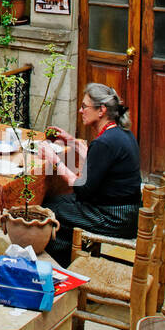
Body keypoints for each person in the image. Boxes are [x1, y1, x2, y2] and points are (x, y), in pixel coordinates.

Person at [37, 83, 142, 266]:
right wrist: (73, 142)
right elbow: (100, 170)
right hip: (127, 212)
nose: (80, 110)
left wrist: (56, 161)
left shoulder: (105, 142)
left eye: (84, 106)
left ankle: (60, 269)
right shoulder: (120, 133)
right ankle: (72, 260)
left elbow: (83, 190)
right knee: (57, 201)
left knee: (49, 212)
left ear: (101, 110)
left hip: (115, 218)